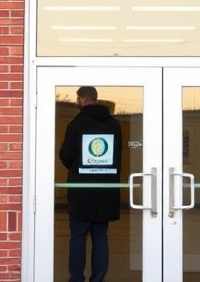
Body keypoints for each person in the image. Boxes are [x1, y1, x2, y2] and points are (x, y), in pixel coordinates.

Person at [59, 86, 123, 282]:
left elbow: (66, 156)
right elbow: (117, 156)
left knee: (78, 237)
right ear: (95, 99)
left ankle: (76, 279)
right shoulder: (114, 125)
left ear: (82, 100)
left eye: (78, 100)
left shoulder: (76, 124)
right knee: (101, 237)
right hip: (106, 191)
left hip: (81, 191)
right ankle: (98, 279)